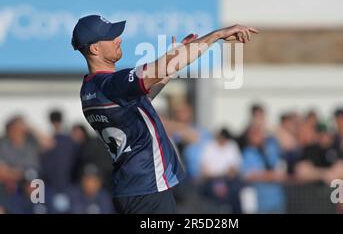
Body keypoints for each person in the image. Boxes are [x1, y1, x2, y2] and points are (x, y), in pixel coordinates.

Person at [71, 14, 257, 214]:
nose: (119, 39)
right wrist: (217, 35)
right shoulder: (114, 84)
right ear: (95, 49)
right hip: (147, 189)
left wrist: (173, 62)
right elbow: (160, 68)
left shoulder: (90, 88)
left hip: (131, 188)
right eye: (111, 37)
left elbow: (145, 94)